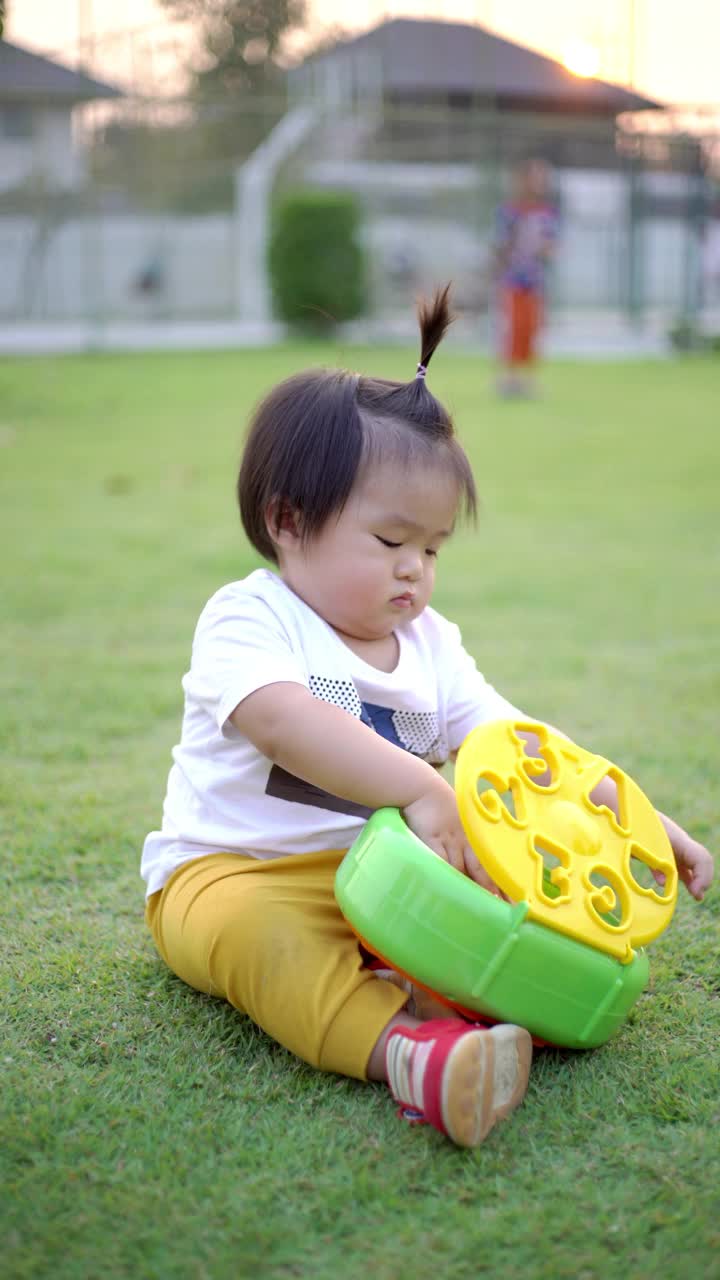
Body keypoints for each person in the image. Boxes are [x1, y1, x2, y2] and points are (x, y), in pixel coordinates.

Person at [142, 287, 713, 1149]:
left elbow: (520, 750)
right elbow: (285, 723)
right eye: (389, 543)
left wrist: (628, 816)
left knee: (492, 925)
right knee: (266, 942)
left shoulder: (432, 644)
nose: (415, 571)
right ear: (288, 521)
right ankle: (408, 1056)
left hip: (388, 882)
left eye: (434, 549)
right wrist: (420, 786)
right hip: (237, 873)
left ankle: (471, 1008)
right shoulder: (250, 618)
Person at [494, 158, 559, 397]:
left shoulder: (548, 213)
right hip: (512, 280)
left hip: (536, 281)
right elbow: (501, 245)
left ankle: (528, 380)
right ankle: (509, 378)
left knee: (532, 328)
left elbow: (552, 246)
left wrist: (547, 249)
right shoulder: (510, 212)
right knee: (513, 328)